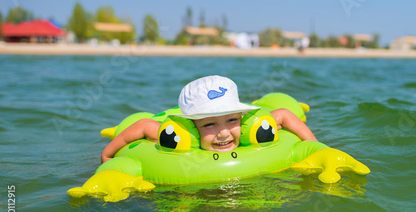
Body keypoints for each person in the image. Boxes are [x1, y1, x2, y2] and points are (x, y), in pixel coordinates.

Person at [101, 75, 317, 163]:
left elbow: (283, 114)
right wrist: (107, 156)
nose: (224, 132)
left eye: (232, 120)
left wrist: (313, 147)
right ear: (191, 128)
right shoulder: (178, 136)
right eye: (210, 124)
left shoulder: (249, 131)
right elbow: (143, 125)